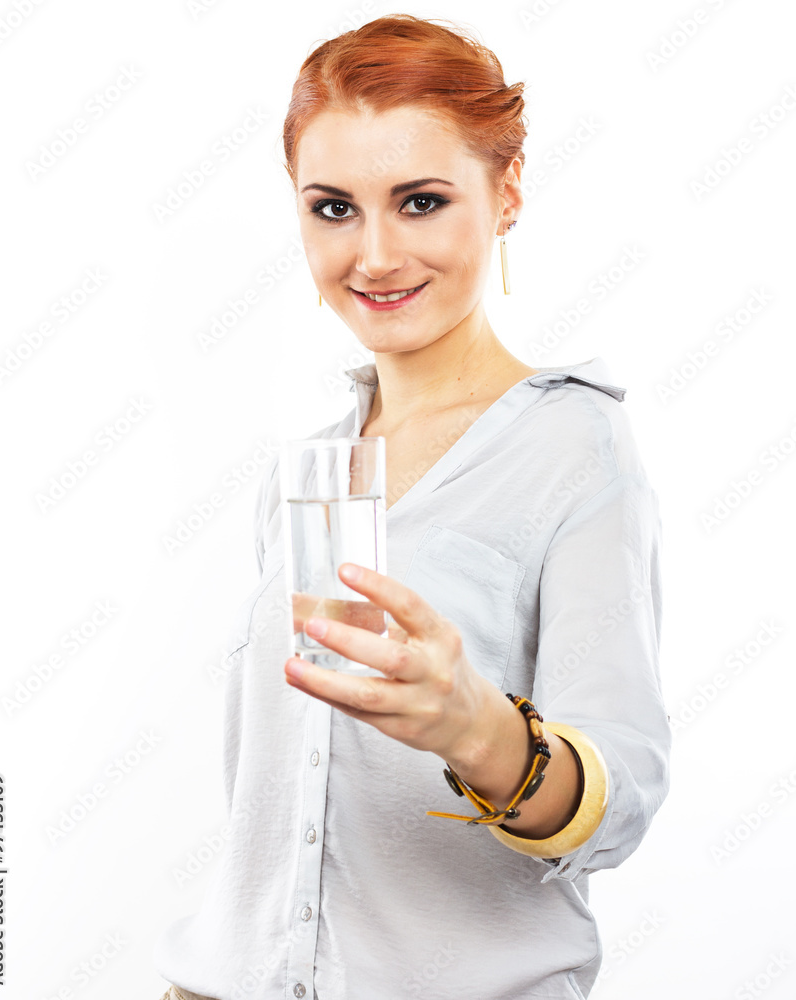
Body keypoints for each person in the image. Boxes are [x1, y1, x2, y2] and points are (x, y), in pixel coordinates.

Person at [153, 14, 671, 1000]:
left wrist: (481, 731)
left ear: (506, 193)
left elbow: (626, 798)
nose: (376, 254)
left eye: (421, 201)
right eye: (334, 208)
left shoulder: (576, 445)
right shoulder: (306, 465)